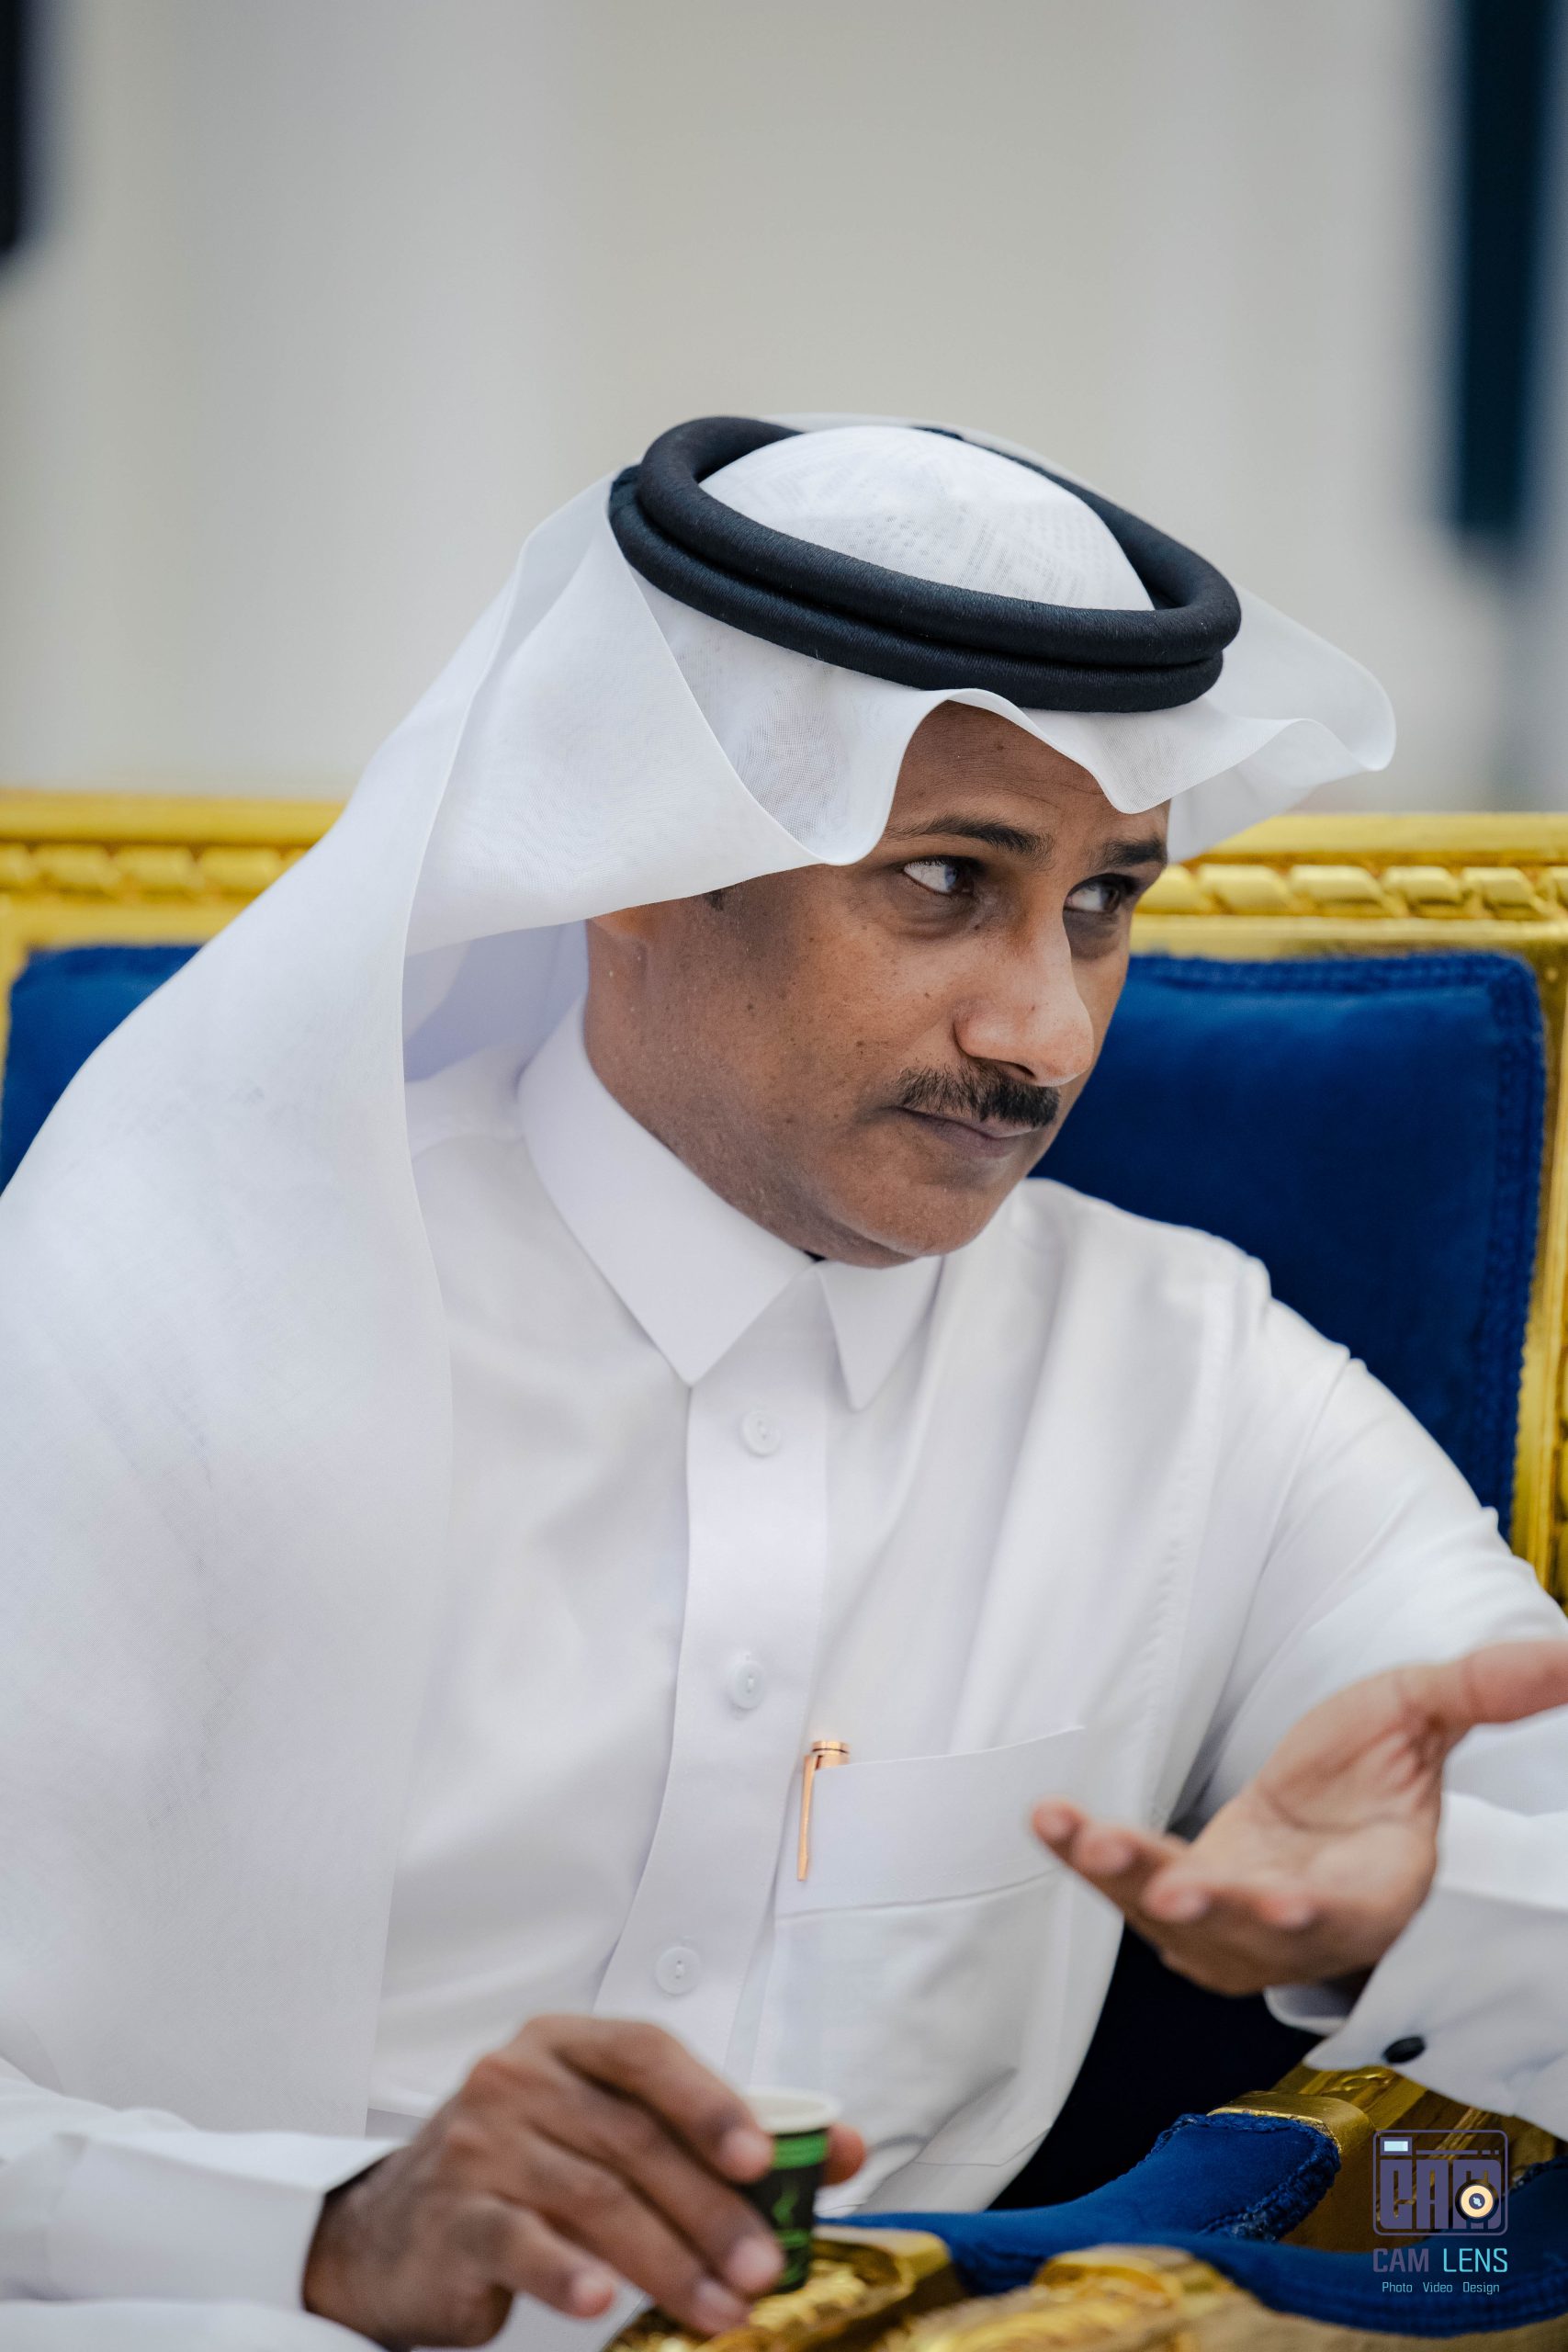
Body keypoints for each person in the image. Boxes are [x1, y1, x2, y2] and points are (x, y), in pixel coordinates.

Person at [1, 414, 1566, 2351]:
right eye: (942, 879)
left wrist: (1441, 1912)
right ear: (637, 858)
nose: (1042, 1030)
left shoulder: (1197, 1379)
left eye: (1100, 902)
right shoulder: (176, 1313)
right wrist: (322, 2232)